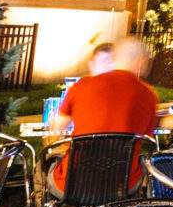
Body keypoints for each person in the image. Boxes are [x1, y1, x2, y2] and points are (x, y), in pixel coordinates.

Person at [49, 34, 161, 189]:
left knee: (42, 169)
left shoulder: (83, 85)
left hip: (73, 183)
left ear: (115, 57)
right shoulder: (149, 96)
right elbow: (147, 137)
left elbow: (57, 127)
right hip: (122, 184)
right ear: (141, 61)